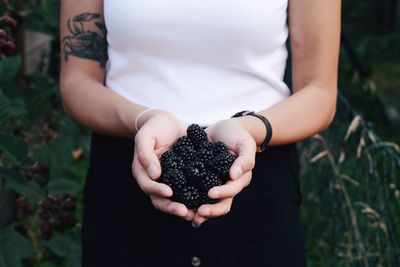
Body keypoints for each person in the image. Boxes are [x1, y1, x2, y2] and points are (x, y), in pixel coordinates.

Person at [60, 0, 341, 266]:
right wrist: (144, 119)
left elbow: (320, 93)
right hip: (131, 171)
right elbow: (77, 83)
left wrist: (249, 127)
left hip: (255, 168)